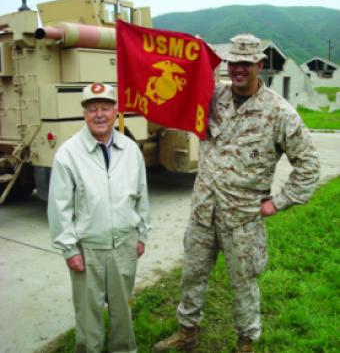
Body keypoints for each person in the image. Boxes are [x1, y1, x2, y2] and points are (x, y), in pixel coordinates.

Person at [152, 33, 320, 353]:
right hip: (204, 210)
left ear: (260, 64)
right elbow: (176, 89)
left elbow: (309, 166)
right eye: (233, 62)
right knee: (192, 275)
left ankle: (245, 342)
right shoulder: (213, 98)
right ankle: (187, 332)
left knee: (244, 284)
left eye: (246, 63)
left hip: (242, 218)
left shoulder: (279, 113)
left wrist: (278, 203)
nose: (238, 69)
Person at [48, 82, 151, 353]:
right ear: (84, 113)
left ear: (116, 111)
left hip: (125, 244)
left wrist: (142, 233)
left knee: (123, 309)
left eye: (105, 108)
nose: (99, 114)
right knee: (88, 312)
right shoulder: (68, 154)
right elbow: (59, 208)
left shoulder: (130, 149)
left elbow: (141, 195)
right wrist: (69, 248)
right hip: (87, 248)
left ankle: (123, 349)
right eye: (92, 109)